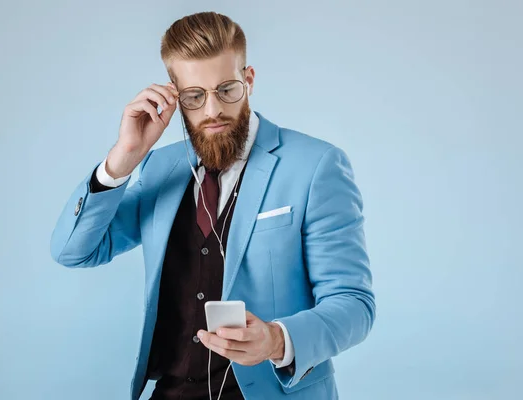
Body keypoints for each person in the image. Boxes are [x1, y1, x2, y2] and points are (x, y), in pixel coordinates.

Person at [50, 11, 375, 400]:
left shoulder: (316, 166)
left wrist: (276, 340)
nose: (212, 110)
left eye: (227, 90)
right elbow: (74, 252)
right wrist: (122, 159)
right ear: (174, 95)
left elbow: (354, 305)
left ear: (249, 80)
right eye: (194, 96)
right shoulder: (159, 168)